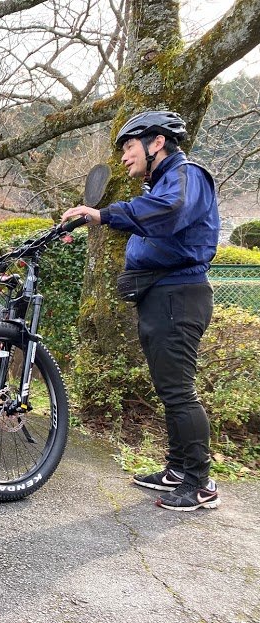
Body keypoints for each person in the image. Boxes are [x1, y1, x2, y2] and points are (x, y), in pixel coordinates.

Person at [61, 110, 221, 511]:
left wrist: (103, 214)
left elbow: (168, 212)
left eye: (129, 146)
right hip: (162, 295)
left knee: (179, 391)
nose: (125, 157)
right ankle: (177, 469)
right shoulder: (163, 183)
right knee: (170, 389)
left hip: (179, 295)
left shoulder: (186, 177)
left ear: (157, 143)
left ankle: (201, 484)